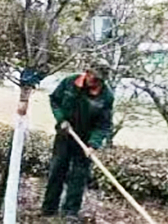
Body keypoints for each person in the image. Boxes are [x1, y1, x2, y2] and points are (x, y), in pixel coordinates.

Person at [41, 60, 114, 222]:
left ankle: (70, 212)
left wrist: (93, 144)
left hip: (86, 140)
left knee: (79, 176)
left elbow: (104, 124)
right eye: (94, 78)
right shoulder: (70, 82)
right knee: (57, 170)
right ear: (87, 73)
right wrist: (61, 119)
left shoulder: (106, 95)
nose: (96, 83)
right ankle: (49, 208)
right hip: (65, 135)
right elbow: (54, 100)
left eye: (100, 80)